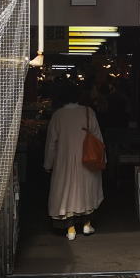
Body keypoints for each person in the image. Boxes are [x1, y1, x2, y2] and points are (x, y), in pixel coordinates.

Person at [43, 82, 104, 241]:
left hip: (63, 162)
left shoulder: (58, 115)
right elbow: (98, 138)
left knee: (66, 193)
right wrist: (103, 159)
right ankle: (87, 224)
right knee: (86, 191)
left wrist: (48, 164)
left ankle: (70, 229)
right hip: (87, 160)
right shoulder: (88, 112)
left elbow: (51, 143)